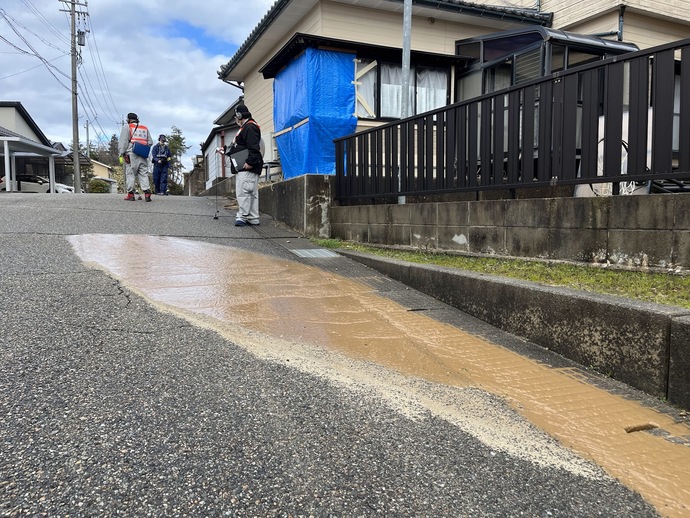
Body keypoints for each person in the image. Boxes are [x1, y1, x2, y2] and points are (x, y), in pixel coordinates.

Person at [220, 104, 263, 226]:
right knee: (251, 192)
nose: (236, 119)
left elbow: (253, 147)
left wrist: (249, 162)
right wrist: (225, 150)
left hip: (246, 166)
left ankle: (243, 216)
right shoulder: (249, 127)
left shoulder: (249, 127)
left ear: (239, 115)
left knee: (244, 192)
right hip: (249, 165)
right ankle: (253, 217)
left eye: (236, 116)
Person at [118, 112, 154, 202]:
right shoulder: (144, 128)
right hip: (143, 154)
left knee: (130, 173)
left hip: (131, 154)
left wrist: (121, 154)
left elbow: (123, 141)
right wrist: (141, 146)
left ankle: (131, 194)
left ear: (128, 119)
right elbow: (150, 142)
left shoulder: (127, 127)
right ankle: (147, 193)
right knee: (143, 173)